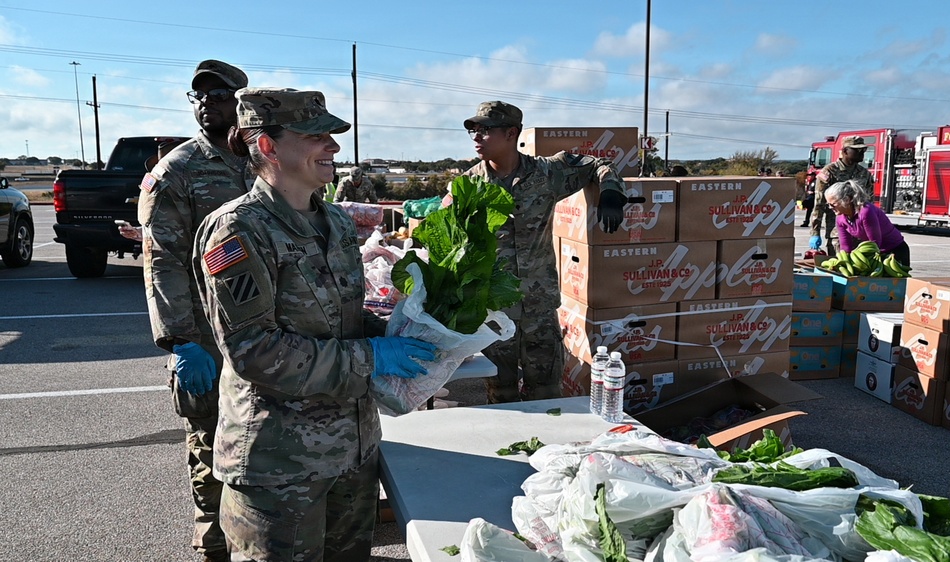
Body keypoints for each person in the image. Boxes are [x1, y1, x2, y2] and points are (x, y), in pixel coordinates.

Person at [193, 87, 436, 561]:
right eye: (315, 136)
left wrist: (403, 332)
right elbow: (254, 351)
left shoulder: (336, 223)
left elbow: (342, 320)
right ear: (268, 145)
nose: (334, 146)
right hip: (279, 467)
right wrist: (372, 356)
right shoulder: (239, 229)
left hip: (352, 454)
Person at [137, 59, 254, 562]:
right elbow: (161, 260)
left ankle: (255, 538)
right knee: (210, 442)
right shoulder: (176, 171)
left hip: (261, 330)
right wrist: (179, 339)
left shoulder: (260, 158)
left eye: (219, 95)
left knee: (257, 438)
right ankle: (213, 543)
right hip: (204, 335)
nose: (208, 103)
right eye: (200, 96)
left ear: (241, 102)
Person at [461, 100, 626, 403]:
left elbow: (599, 164)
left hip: (539, 309)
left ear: (511, 133)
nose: (476, 136)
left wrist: (612, 191)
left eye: (485, 129)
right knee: (501, 395)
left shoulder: (547, 173)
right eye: (473, 130)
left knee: (548, 394)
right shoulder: (468, 185)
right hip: (495, 313)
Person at [810, 135, 874, 256]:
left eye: (863, 150)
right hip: (837, 232)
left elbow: (869, 203)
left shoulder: (864, 174)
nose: (862, 153)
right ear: (845, 151)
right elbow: (819, 204)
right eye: (857, 150)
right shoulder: (829, 171)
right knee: (840, 264)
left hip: (860, 231)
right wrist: (815, 232)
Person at [824, 179, 910, 267]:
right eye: (828, 204)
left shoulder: (865, 211)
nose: (830, 207)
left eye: (833, 204)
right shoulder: (840, 218)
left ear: (846, 200)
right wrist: (845, 263)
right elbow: (845, 246)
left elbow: (874, 243)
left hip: (894, 250)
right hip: (876, 252)